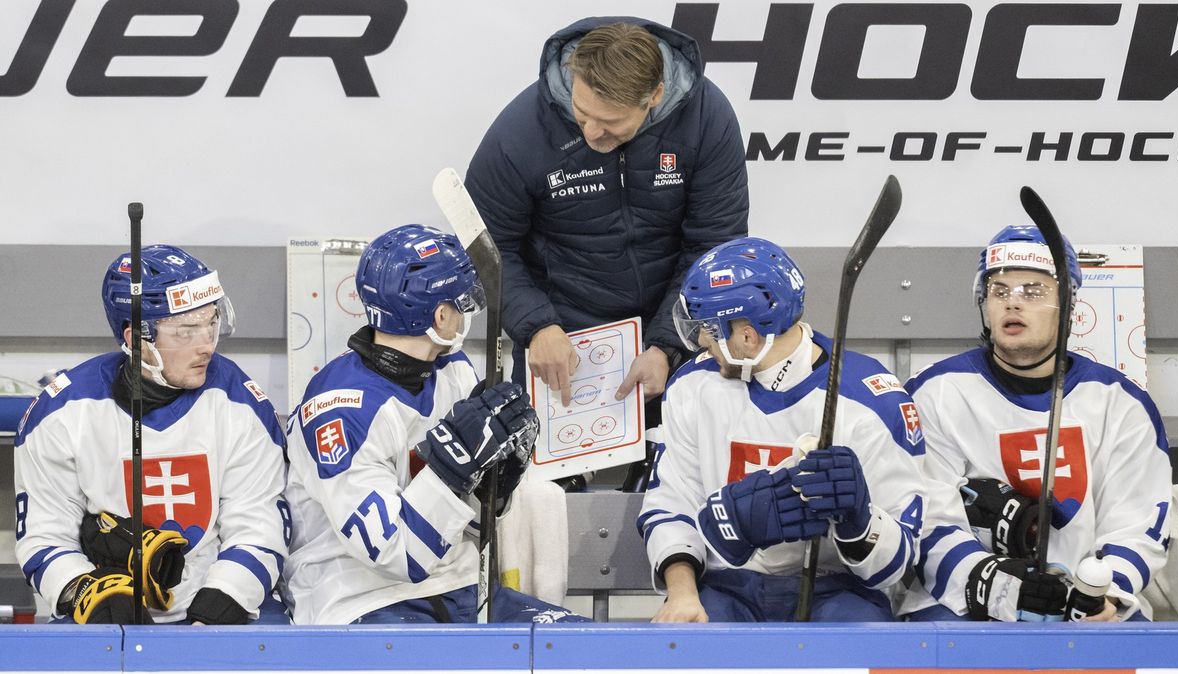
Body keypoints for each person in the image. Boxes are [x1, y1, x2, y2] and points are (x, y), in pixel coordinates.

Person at [465, 18, 749, 489]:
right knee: (546, 507)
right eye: (581, 112)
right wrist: (537, 326)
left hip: (671, 332)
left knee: (680, 494)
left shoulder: (707, 117)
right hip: (560, 340)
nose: (592, 132)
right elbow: (485, 247)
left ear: (654, 96)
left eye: (611, 122)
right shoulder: (522, 129)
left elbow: (713, 247)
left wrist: (668, 344)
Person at [281, 224, 582, 624]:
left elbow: (471, 523)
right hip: (359, 599)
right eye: (462, 302)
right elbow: (398, 556)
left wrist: (499, 479)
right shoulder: (339, 410)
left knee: (581, 649)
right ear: (441, 315)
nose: (467, 311)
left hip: (456, 586)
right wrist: (452, 468)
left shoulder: (450, 368)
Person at [639, 237, 929, 622]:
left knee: (860, 644)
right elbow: (671, 504)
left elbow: (898, 564)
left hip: (839, 590)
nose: (702, 344)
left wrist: (860, 522)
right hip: (728, 585)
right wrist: (682, 594)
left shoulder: (872, 399)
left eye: (708, 329)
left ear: (746, 336)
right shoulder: (693, 386)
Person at [901, 225, 1173, 622]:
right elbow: (926, 518)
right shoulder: (935, 392)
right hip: (966, 599)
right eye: (999, 291)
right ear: (984, 304)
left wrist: (1103, 593)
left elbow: (1138, 521)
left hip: (1088, 600)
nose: (1013, 304)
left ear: (1069, 304)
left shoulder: (1120, 403)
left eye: (1033, 291)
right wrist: (1002, 590)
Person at [14, 246, 289, 625]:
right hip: (109, 612)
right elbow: (44, 537)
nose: (206, 344)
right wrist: (84, 592)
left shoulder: (240, 401)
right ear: (135, 339)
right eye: (186, 332)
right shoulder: (61, 414)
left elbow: (259, 522)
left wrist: (226, 596)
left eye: (210, 324)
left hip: (217, 603)